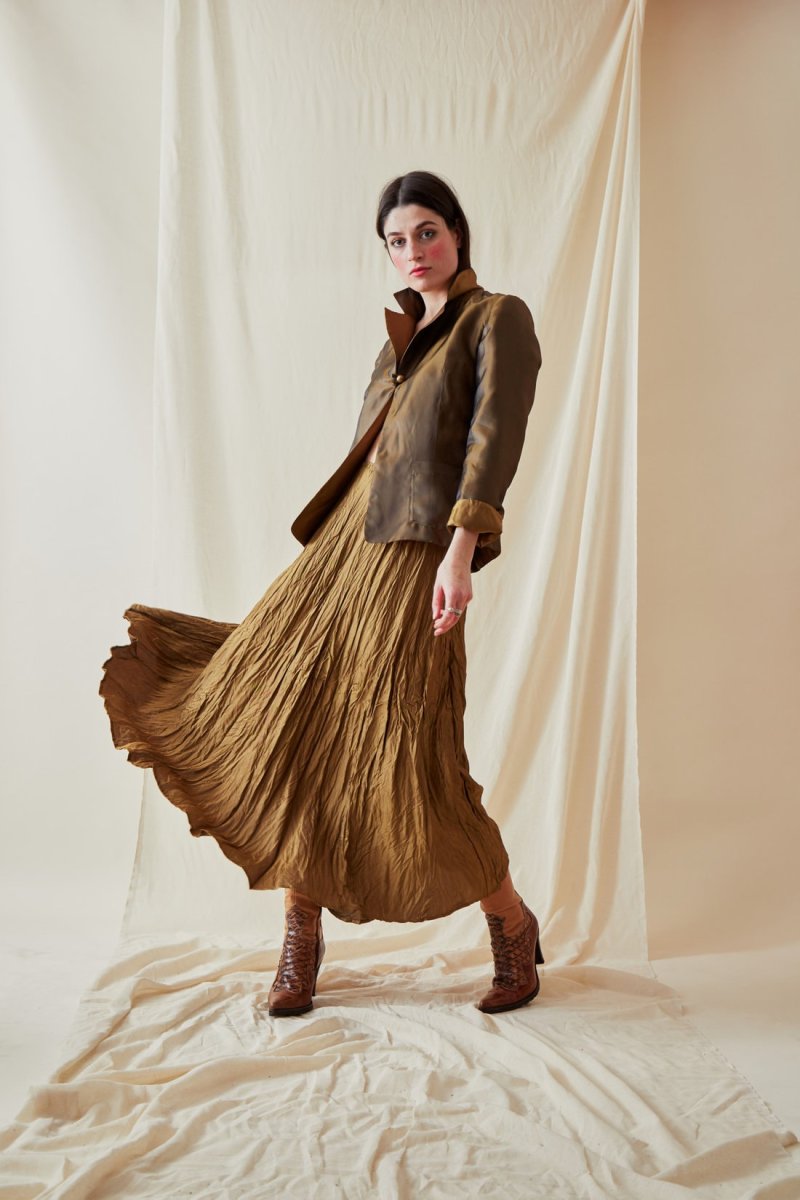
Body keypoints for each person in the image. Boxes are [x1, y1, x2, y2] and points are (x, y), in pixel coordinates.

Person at [99, 169, 543, 1020]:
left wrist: (460, 553)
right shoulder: (399, 338)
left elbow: (495, 441)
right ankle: (299, 937)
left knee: (412, 753)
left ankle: (512, 925)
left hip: (417, 556)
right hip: (344, 548)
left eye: (426, 232)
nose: (412, 251)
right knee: (289, 719)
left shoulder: (497, 319)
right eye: (396, 240)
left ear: (457, 232)